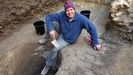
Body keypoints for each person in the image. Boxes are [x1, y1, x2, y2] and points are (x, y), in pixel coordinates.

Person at [40, 0, 102, 75]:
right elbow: (48, 17)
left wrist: (96, 43)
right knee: (51, 24)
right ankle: (47, 38)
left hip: (66, 38)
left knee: (54, 50)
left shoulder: (81, 19)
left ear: (74, 10)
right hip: (63, 30)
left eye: (71, 10)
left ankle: (48, 65)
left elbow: (92, 28)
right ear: (65, 11)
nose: (70, 12)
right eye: (67, 10)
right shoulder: (61, 15)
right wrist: (51, 30)